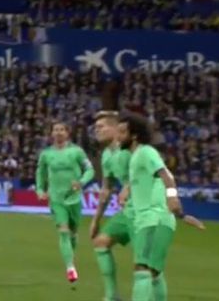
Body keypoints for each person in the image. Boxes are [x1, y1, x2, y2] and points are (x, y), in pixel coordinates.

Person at [117, 112, 205, 301]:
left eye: (122, 132)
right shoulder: (138, 158)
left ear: (133, 135)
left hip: (151, 220)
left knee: (142, 269)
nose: (118, 136)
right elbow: (159, 181)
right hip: (161, 220)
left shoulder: (145, 152)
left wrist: (172, 196)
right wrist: (181, 215)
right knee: (154, 272)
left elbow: (166, 176)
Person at [35, 120, 94, 286]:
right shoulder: (46, 154)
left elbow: (90, 170)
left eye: (62, 129)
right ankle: (70, 267)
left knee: (73, 233)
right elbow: (40, 173)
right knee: (63, 231)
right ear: (52, 133)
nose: (59, 132)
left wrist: (81, 182)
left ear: (68, 133)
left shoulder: (77, 152)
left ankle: (70, 257)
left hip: (74, 198)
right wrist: (40, 190)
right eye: (56, 130)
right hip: (56, 198)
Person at [89, 111, 130, 301]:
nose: (97, 130)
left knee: (147, 265)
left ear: (115, 128)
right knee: (101, 242)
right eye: (95, 128)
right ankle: (112, 296)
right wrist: (96, 220)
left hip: (149, 207)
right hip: (130, 210)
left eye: (101, 127)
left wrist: (129, 187)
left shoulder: (130, 148)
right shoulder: (106, 155)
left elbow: (149, 172)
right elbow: (106, 189)